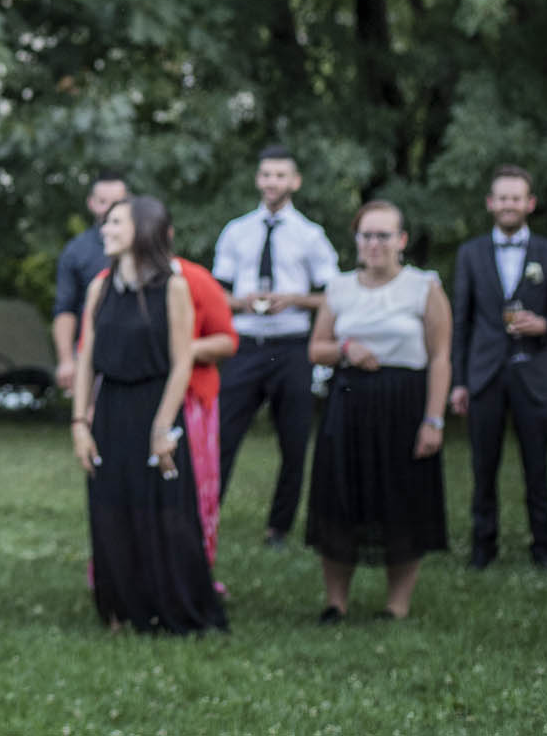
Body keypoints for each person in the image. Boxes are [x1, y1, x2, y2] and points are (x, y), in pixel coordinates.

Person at [72, 197, 227, 634]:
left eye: (116, 222)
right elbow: (86, 361)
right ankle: (119, 607)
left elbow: (181, 362)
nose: (105, 229)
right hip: (110, 408)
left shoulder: (173, 287)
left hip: (156, 405)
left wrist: (162, 427)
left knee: (162, 510)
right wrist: (80, 423)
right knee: (110, 508)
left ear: (142, 230)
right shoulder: (100, 288)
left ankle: (171, 606)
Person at [306, 200, 451, 621]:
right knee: (339, 497)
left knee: (402, 497)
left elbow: (440, 357)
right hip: (348, 403)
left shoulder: (424, 287)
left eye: (383, 235)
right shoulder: (339, 288)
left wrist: (433, 420)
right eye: (366, 235)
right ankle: (336, 601)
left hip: (404, 404)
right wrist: (346, 348)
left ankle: (396, 604)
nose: (374, 243)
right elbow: (316, 349)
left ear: (401, 240)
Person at [211, 145, 340, 548]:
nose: (272, 182)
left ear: (294, 182)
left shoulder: (310, 235)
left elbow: (334, 295)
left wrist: (294, 299)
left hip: (292, 347)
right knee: (222, 436)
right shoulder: (236, 231)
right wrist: (242, 302)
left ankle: (278, 529)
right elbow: (218, 293)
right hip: (246, 344)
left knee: (294, 441)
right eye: (266, 174)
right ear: (258, 179)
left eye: (280, 175)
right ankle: (205, 515)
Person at [448, 165, 547, 570]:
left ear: (529, 203)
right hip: (484, 373)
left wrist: (543, 325)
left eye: (516, 198)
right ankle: (483, 547)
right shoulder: (470, 253)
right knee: (483, 467)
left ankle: (544, 547)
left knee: (537, 467)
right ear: (490, 203)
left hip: (533, 373)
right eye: (502, 198)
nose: (508, 204)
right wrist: (458, 381)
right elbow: (461, 322)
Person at [171, 239, 237, 568]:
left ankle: (191, 570)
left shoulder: (194, 279)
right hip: (126, 402)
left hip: (191, 399)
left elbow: (227, 339)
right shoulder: (106, 283)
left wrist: (186, 349)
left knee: (189, 488)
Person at [52, 171, 130, 395]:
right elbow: (64, 309)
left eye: (117, 202)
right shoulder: (77, 251)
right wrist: (66, 360)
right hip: (92, 352)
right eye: (103, 202)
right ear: (91, 203)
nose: (110, 209)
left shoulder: (144, 245)